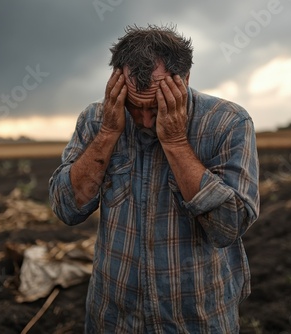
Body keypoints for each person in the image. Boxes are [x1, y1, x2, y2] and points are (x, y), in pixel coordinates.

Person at [49, 24, 260, 333]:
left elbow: (229, 226)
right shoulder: (97, 120)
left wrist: (175, 143)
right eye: (135, 107)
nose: (146, 120)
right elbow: (66, 207)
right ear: (117, 81)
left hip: (196, 319)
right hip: (114, 318)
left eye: (155, 105)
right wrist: (108, 133)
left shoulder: (227, 123)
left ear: (185, 79)